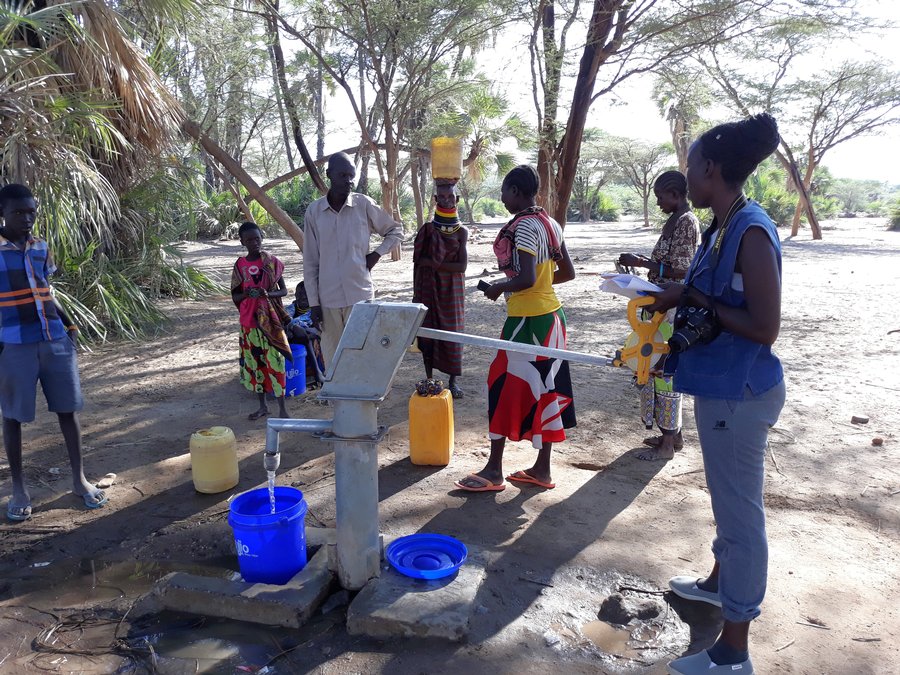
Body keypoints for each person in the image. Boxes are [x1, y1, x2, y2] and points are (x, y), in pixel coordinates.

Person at [645, 114, 785, 675]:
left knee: (740, 516)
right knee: (726, 501)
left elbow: (765, 326)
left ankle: (734, 651)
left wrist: (696, 303)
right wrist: (680, 294)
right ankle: (715, 585)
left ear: (710, 170)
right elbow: (709, 293)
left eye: (690, 164)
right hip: (722, 387)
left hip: (741, 393)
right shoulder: (723, 224)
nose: (686, 174)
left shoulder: (750, 230)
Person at [454, 165, 576, 492]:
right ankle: (542, 469)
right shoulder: (550, 223)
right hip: (553, 319)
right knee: (547, 390)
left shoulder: (523, 227)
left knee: (501, 382)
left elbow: (525, 279)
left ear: (517, 191)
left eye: (505, 191)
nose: (502, 197)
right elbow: (566, 273)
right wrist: (536, 286)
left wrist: (498, 286)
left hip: (528, 322)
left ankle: (494, 471)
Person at [0, 183, 108, 521]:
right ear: (2, 213)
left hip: (54, 339)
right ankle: (19, 488)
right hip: (13, 344)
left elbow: (47, 290)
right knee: (13, 415)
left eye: (31, 211)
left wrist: (70, 325)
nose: (27, 218)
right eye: (19, 212)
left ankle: (79, 480)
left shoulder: (40, 246)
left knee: (67, 410)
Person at [618, 170, 700, 460]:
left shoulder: (686, 223)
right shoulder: (675, 221)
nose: (659, 202)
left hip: (673, 308)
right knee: (654, 366)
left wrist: (641, 262)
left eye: (661, 197)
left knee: (663, 368)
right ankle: (672, 435)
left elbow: (684, 271)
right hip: (660, 306)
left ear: (676, 195)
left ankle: (668, 444)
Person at [302, 153, 404, 368]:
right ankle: (339, 403)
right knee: (334, 361)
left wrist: (376, 254)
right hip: (327, 300)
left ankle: (365, 402)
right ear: (329, 175)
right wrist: (314, 304)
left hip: (360, 296)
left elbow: (395, 231)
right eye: (343, 175)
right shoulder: (314, 212)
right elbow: (310, 261)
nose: (348, 180)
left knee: (364, 355)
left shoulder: (363, 204)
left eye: (351, 175)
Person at [412, 180, 468, 398]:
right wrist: (428, 266)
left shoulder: (461, 231)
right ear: (435, 199)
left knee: (452, 334)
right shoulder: (427, 230)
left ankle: (453, 383)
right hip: (428, 287)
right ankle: (429, 379)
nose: (446, 200)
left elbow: (461, 267)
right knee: (428, 333)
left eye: (450, 197)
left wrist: (433, 264)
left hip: (452, 290)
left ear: (457, 200)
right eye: (442, 197)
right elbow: (418, 261)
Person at [231, 221, 291, 421]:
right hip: (249, 323)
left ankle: (283, 410)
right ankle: (263, 406)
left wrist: (267, 293)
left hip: (271, 322)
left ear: (261, 238)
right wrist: (247, 293)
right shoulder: (240, 266)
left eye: (257, 238)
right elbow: (235, 297)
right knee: (254, 365)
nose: (254, 243)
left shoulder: (272, 262)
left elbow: (283, 291)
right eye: (249, 240)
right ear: (242, 242)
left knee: (276, 363)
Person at [284, 281, 325, 388]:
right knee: (290, 332)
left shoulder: (316, 311)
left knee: (299, 331)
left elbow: (320, 330)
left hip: (310, 339)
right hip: (293, 337)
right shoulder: (289, 310)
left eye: (306, 294)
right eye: (299, 294)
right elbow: (283, 322)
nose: (302, 297)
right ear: (295, 295)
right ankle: (316, 373)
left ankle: (316, 371)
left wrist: (304, 331)